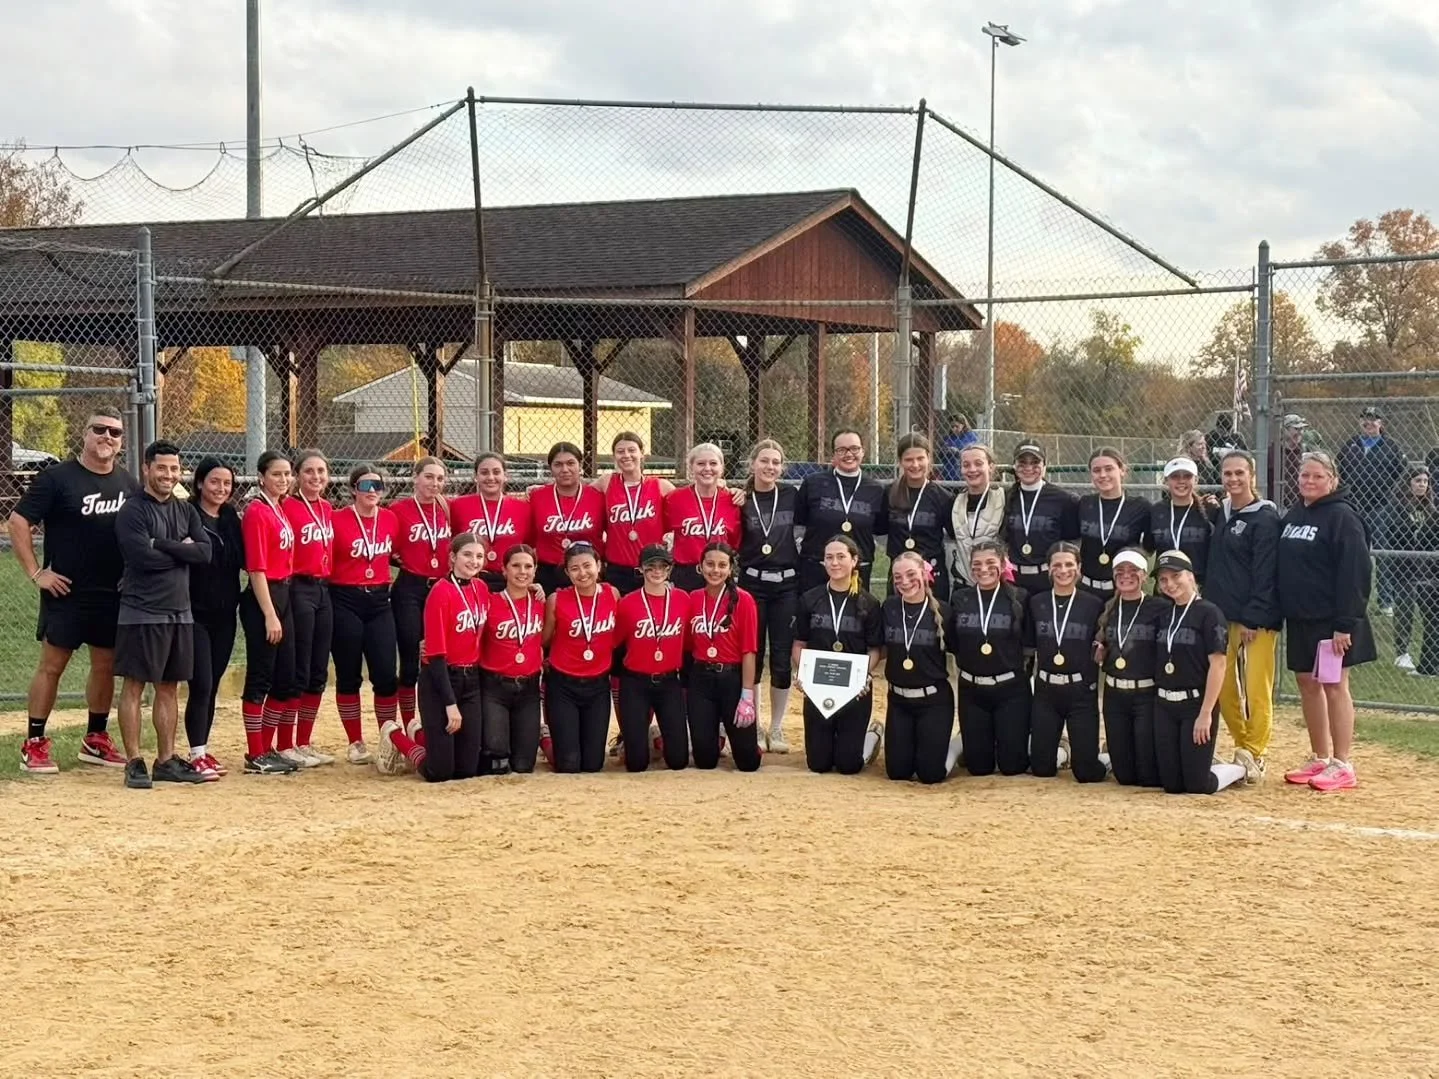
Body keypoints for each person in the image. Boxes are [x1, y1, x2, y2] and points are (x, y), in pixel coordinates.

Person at [8, 407, 139, 772]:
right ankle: (34, 742)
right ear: (84, 433)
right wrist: (37, 573)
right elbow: (18, 522)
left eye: (114, 432)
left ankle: (95, 739)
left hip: (111, 593)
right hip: (65, 592)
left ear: (121, 442)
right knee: (52, 665)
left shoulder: (128, 485)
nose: (106, 438)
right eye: (99, 429)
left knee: (105, 664)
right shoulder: (57, 478)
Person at [112, 440, 212, 789]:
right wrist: (180, 550)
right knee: (135, 686)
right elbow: (141, 558)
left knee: (169, 687)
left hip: (179, 612)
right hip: (141, 611)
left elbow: (204, 553)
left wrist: (162, 545)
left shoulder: (185, 511)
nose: (168, 475)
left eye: (174, 468)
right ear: (146, 468)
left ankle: (166, 760)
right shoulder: (133, 511)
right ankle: (134, 761)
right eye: (161, 468)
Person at [1277, 451, 1376, 793]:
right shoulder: (1296, 513)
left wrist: (1345, 624)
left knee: (1334, 685)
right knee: (1307, 684)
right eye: (1305, 475)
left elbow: (1356, 573)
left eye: (1317, 476)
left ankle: (1342, 762)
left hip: (1332, 621)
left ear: (1332, 479)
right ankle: (1320, 756)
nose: (1309, 481)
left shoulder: (1342, 517)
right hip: (1301, 618)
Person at [1205, 449, 1281, 783]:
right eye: (1228, 474)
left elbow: (1266, 573)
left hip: (1256, 618)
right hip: (1223, 613)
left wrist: (1254, 616)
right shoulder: (1221, 512)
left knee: (1254, 686)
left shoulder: (1264, 517)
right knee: (1223, 686)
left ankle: (1256, 752)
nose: (1233, 479)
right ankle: (1242, 746)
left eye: (1240, 473)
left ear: (1252, 476)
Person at [1150, 550, 1246, 795]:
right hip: (1164, 704)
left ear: (1191, 576)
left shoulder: (1209, 613)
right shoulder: (1162, 613)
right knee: (1171, 785)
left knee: (1197, 786)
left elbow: (1219, 664)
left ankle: (1238, 769)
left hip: (1195, 704)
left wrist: (1206, 714)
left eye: (1176, 576)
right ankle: (1203, 761)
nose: (1170, 584)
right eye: (1163, 579)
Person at [792, 535, 884, 775]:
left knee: (848, 766)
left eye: (841, 557)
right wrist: (803, 673)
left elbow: (875, 649)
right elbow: (799, 643)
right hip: (818, 686)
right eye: (829, 557)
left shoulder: (869, 603)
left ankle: (871, 738)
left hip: (855, 689)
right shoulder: (810, 599)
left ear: (854, 561)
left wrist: (864, 676)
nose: (834, 563)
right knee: (819, 765)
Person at [329, 464, 400, 766]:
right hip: (345, 598)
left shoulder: (390, 519)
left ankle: (387, 735)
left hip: (380, 599)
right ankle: (355, 741)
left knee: (385, 674)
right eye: (365, 485)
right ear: (353, 489)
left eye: (378, 486)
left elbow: (395, 553)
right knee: (349, 674)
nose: (372, 492)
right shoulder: (337, 519)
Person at [238, 450, 301, 774]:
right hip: (265, 597)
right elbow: (256, 568)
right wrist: (269, 614)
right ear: (262, 476)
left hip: (284, 593)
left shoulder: (279, 508)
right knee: (261, 675)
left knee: (284, 678)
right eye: (276, 474)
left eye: (287, 474)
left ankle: (267, 747)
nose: (283, 479)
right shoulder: (257, 511)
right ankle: (254, 753)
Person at [185, 457, 245, 779]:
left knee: (213, 683)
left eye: (227, 483)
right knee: (202, 683)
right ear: (199, 484)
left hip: (225, 613)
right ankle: (196, 753)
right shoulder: (188, 515)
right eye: (214, 482)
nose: (221, 489)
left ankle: (203, 748)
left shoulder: (231, 518)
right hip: (194, 612)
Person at [948, 539, 1030, 777]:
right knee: (979, 768)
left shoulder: (1020, 598)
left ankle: (1055, 745)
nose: (983, 569)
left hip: (1010, 690)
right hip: (972, 690)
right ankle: (962, 743)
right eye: (977, 564)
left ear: (1003, 564)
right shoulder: (960, 598)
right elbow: (954, 642)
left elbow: (1028, 643)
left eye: (991, 562)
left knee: (1012, 767)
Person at [739, 438, 800, 753]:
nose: (770, 467)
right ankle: (757, 723)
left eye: (776, 462)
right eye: (764, 461)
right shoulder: (741, 499)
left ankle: (777, 728)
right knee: (752, 652)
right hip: (752, 584)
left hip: (786, 585)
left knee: (781, 656)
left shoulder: (791, 496)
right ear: (753, 465)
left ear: (782, 467)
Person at [1027, 541, 1106, 782]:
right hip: (1046, 691)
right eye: (1057, 565)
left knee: (1086, 774)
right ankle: (1061, 751)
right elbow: (1030, 647)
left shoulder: (1094, 604)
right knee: (1041, 769)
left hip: (1080, 691)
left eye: (1070, 564)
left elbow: (1101, 644)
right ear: (1048, 569)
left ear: (1079, 568)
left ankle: (1106, 757)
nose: (1063, 570)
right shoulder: (1036, 602)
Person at [542, 541, 620, 773]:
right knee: (569, 765)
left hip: (597, 686)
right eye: (574, 568)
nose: (582, 573)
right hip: (563, 685)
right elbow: (544, 639)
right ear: (567, 572)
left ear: (599, 566)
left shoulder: (612, 594)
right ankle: (545, 740)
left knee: (593, 765)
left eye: (587, 566)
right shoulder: (556, 600)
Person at [415, 533, 488, 783]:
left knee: (467, 770)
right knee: (440, 773)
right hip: (441, 680)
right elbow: (435, 655)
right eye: (467, 555)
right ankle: (400, 738)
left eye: (479, 556)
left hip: (472, 680)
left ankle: (427, 736)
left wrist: (535, 588)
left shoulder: (481, 588)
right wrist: (450, 704)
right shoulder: (440, 592)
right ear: (453, 557)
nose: (474, 561)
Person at [280, 449, 336, 767]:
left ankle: (304, 741)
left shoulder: (326, 508)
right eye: (309, 472)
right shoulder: (288, 506)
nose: (316, 477)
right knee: (299, 669)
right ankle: (286, 743)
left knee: (318, 670)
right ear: (297, 476)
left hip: (323, 589)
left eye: (321, 472)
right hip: (298, 587)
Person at [1094, 547, 1168, 788]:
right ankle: (1107, 758)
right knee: (1124, 777)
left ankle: (1230, 770)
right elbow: (1101, 643)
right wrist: (1099, 648)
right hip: (1115, 695)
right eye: (1120, 571)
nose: (1126, 575)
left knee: (1148, 778)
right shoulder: (1109, 608)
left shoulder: (1159, 607)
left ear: (1144, 576)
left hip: (1145, 694)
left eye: (1133, 570)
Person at [615, 545, 691, 772]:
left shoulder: (683, 600)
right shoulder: (628, 603)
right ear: (641, 569)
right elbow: (616, 642)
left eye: (662, 566)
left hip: (669, 681)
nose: (657, 571)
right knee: (636, 764)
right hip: (636, 682)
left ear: (670, 569)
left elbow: (687, 641)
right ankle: (643, 734)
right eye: (650, 567)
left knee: (678, 761)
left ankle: (657, 736)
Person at [686, 542, 762, 771]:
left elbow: (749, 651)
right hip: (701, 679)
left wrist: (747, 695)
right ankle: (714, 735)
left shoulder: (744, 600)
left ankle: (740, 738)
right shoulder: (693, 598)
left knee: (748, 764)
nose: (715, 570)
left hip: (732, 678)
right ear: (700, 567)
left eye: (722, 565)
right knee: (705, 761)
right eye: (709, 564)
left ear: (731, 569)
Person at [390, 456, 452, 732]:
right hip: (410, 588)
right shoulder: (398, 510)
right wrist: (395, 558)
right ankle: (409, 723)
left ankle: (437, 716)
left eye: (439, 478)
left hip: (441, 588)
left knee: (440, 654)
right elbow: (381, 543)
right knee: (411, 655)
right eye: (428, 477)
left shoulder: (447, 509)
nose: (434, 483)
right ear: (415, 477)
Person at [881, 551, 954, 784]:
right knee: (897, 772)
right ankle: (875, 735)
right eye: (897, 577)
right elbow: (877, 647)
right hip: (899, 700)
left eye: (911, 574)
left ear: (924, 574)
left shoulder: (944, 611)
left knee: (930, 775)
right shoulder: (889, 608)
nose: (904, 581)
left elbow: (963, 650)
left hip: (934, 700)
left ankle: (957, 746)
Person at [477, 544, 545, 775]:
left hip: (529, 688)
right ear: (504, 570)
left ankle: (542, 736)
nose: (522, 571)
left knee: (524, 765)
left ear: (535, 571)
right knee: (497, 761)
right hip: (495, 687)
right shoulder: (489, 601)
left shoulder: (541, 601)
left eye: (528, 566)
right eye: (515, 566)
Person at [795, 429, 887, 593]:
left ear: (862, 452)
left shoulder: (876, 489)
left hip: (857, 570)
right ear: (834, 455)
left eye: (854, 448)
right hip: (816, 569)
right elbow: (798, 524)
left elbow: (880, 531)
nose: (848, 454)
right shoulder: (813, 483)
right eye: (841, 450)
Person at [1338, 405, 1407, 614]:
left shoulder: (1391, 446)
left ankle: (1386, 601)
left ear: (1381, 423)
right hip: (1353, 507)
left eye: (1374, 419)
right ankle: (1353, 597)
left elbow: (1401, 474)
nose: (1369, 423)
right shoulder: (1351, 445)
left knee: (1383, 553)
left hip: (1380, 507)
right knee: (1353, 552)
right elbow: (1339, 470)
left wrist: (1387, 494)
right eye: (1365, 419)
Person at [1377, 465, 1438, 673]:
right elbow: (1393, 536)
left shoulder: (1430, 509)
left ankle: (1430, 655)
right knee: (1405, 608)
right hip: (1404, 566)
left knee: (1430, 612)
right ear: (1408, 483)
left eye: (1425, 481)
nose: (1422, 485)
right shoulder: (1396, 508)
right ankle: (1402, 652)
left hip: (1427, 568)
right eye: (1417, 481)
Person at [596, 432, 671, 595]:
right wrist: (537, 489)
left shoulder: (660, 486)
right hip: (617, 571)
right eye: (620, 451)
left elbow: (691, 499)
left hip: (652, 569)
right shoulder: (606, 482)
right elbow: (577, 496)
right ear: (614, 456)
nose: (626, 455)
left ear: (641, 453)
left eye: (632, 450)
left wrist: (720, 485)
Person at [1004, 440, 1080, 596]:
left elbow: (1072, 541)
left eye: (1035, 462)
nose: (1028, 467)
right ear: (1014, 466)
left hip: (1049, 579)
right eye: (1022, 462)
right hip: (1014, 580)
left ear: (1045, 465)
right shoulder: (1007, 497)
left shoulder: (1062, 499)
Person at [450, 452, 531, 592]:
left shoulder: (523, 508)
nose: (490, 477)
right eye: (484, 472)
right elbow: (454, 541)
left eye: (496, 472)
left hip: (510, 580)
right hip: (472, 577)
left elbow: (529, 543)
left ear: (505, 476)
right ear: (476, 477)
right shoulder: (459, 505)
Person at [531, 442, 605, 595]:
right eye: (558, 464)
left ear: (580, 465)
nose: (565, 469)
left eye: (571, 463)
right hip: (548, 573)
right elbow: (529, 538)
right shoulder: (537, 497)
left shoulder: (597, 497)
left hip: (586, 572)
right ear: (550, 468)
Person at [667, 442, 742, 592]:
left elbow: (734, 543)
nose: (707, 468)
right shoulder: (674, 499)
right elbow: (662, 531)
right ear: (691, 467)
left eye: (713, 463)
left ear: (721, 468)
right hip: (686, 575)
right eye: (701, 463)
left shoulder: (732, 501)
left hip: (719, 574)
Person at [1077, 447, 1150, 599]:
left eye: (1109, 469)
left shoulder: (1140, 506)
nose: (1103, 475)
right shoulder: (1084, 504)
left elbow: (1149, 547)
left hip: (1123, 589)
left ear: (1122, 470)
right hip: (1086, 588)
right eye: (1096, 470)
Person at [1147, 457, 1215, 584]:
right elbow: (1148, 547)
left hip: (1199, 586)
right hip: (1166, 585)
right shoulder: (1156, 511)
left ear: (1196, 480)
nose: (1181, 481)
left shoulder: (1209, 510)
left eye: (1187, 476)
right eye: (1175, 477)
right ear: (1166, 481)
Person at [949, 444, 1004, 594]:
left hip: (997, 585)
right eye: (966, 465)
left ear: (991, 467)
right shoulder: (953, 503)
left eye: (978, 464)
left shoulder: (1005, 500)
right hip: (964, 585)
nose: (972, 469)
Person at [1268, 414, 1310, 509]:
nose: (1300, 433)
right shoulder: (1273, 452)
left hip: (1302, 504)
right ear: (1284, 430)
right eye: (1296, 429)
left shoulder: (1306, 452)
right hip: (1277, 504)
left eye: (1301, 429)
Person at [938, 414, 978, 481]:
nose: (954, 429)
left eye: (957, 426)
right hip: (948, 474)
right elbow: (941, 454)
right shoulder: (948, 438)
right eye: (952, 426)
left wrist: (958, 451)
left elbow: (972, 451)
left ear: (963, 425)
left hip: (964, 475)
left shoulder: (971, 436)